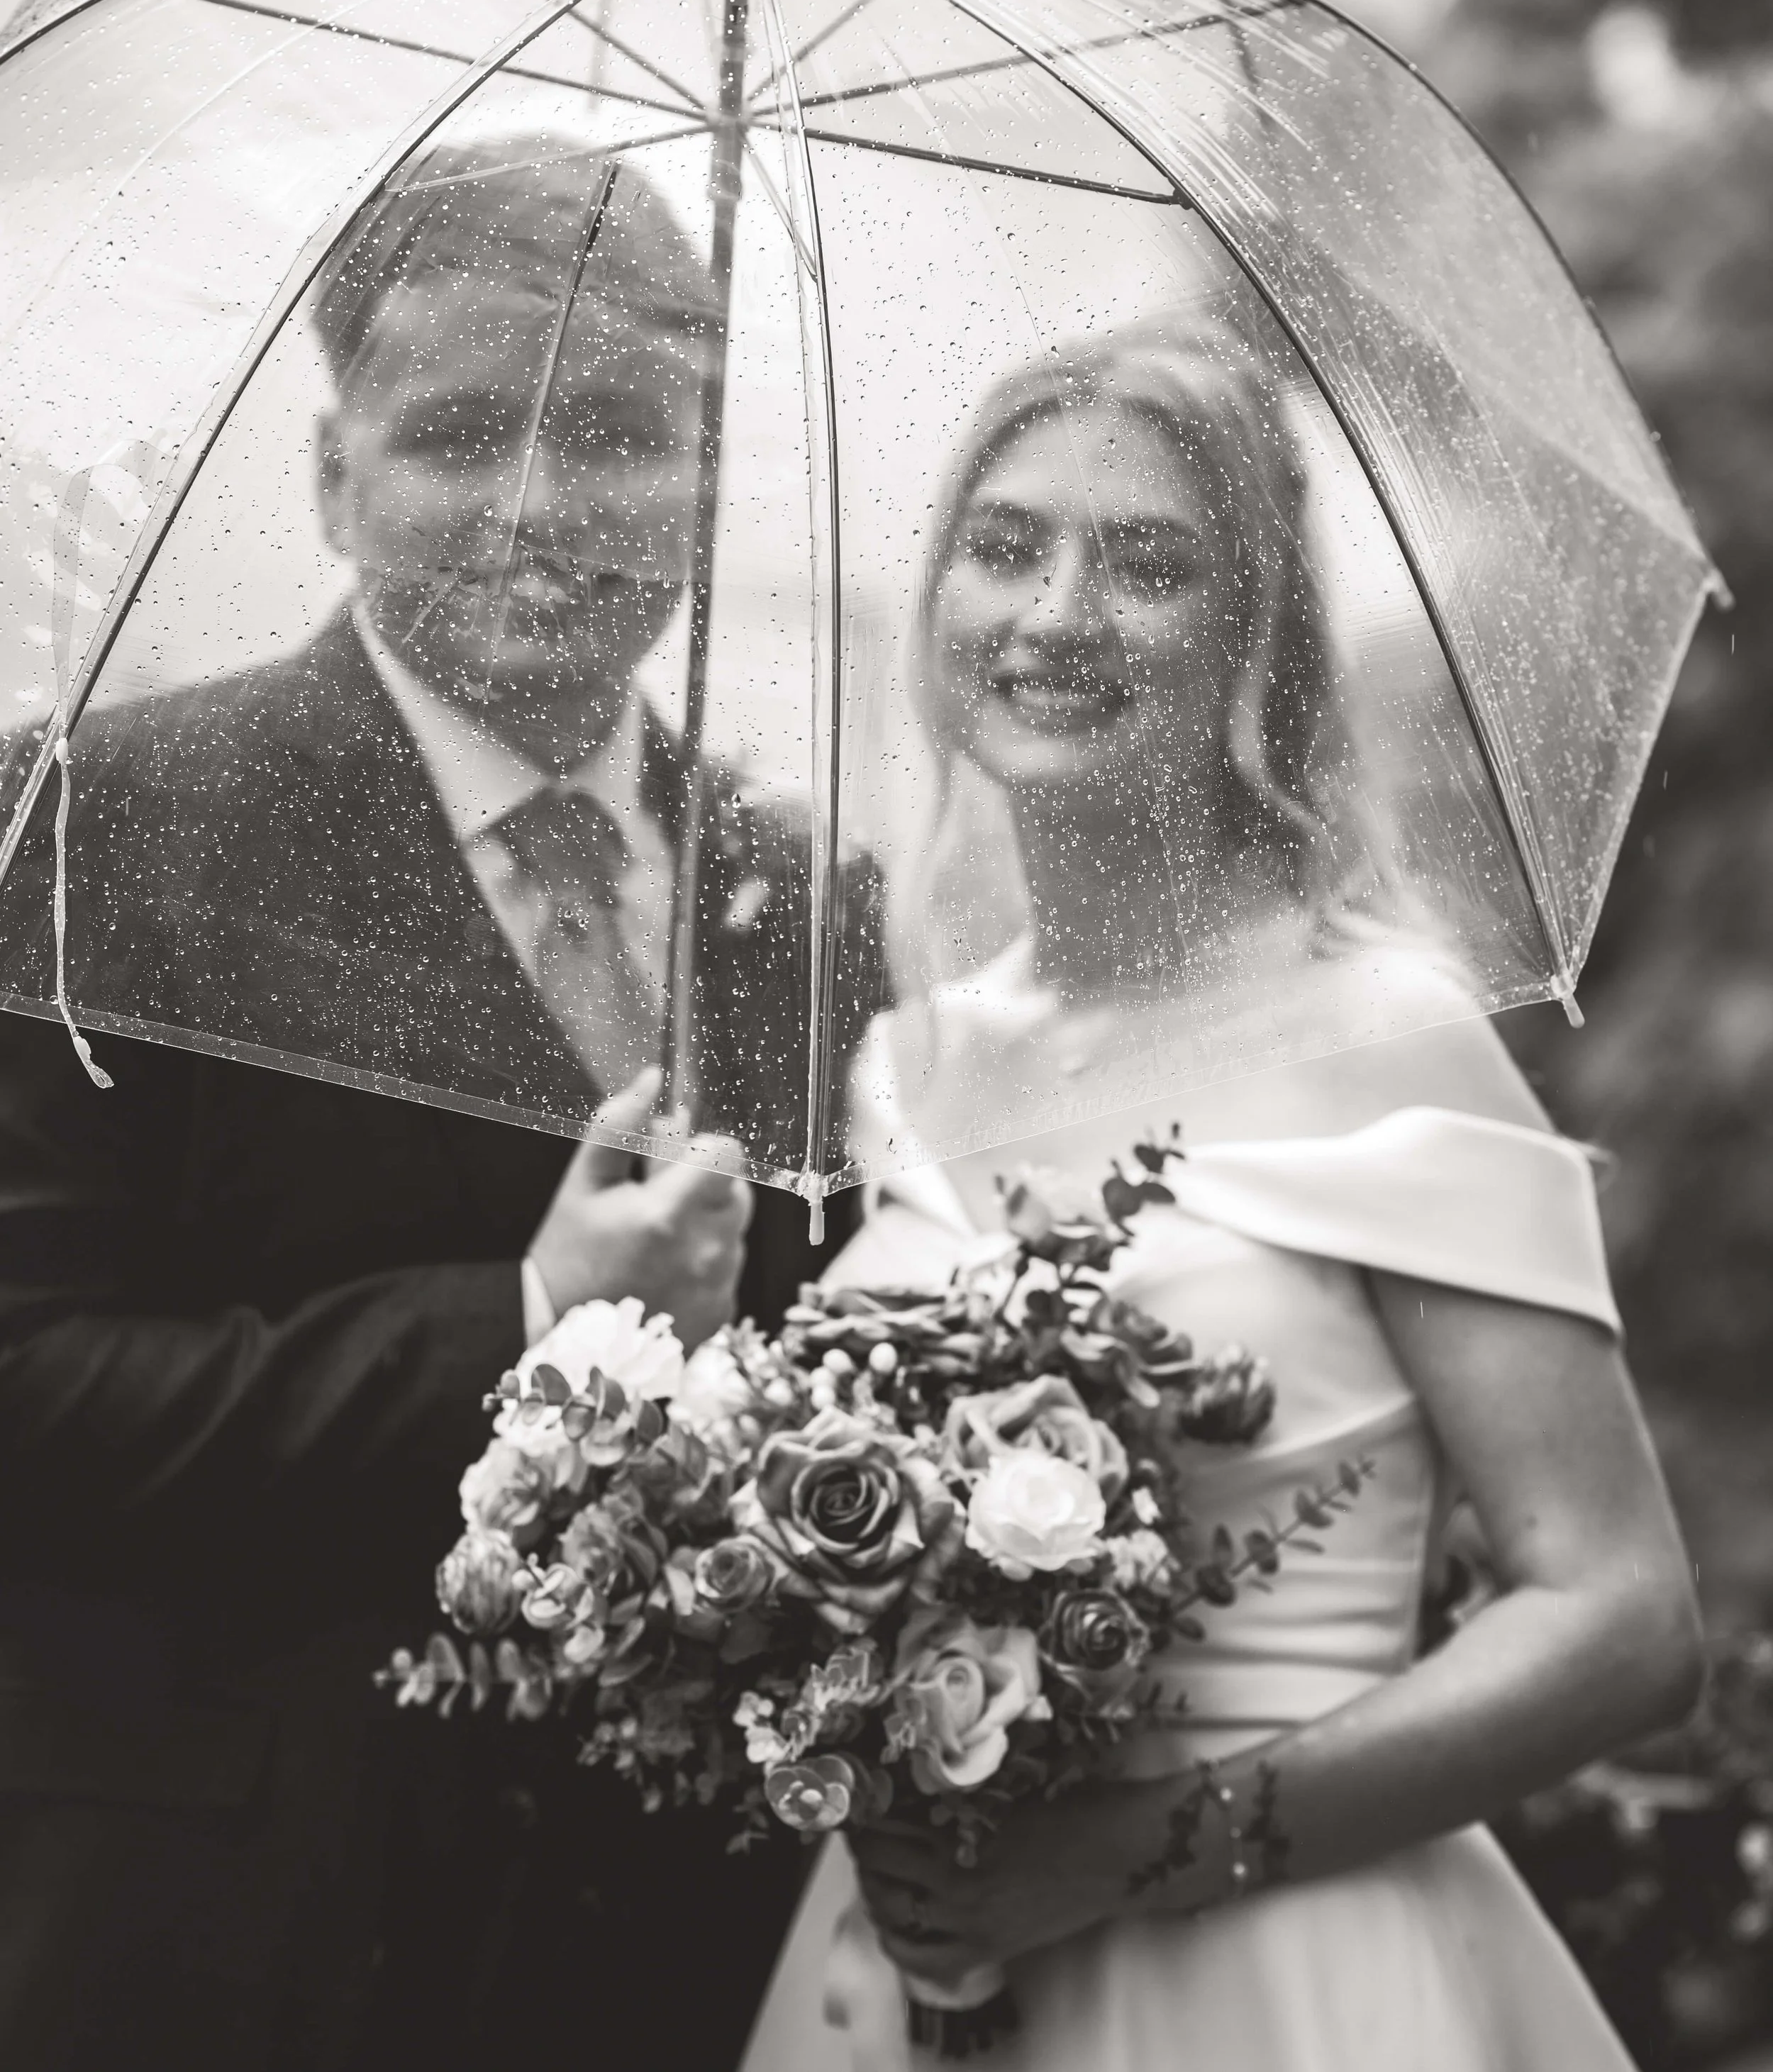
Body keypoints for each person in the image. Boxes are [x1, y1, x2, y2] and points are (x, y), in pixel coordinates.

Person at [0, 135, 878, 2072]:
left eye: (623, 434)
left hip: (683, 1960)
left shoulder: (809, 903)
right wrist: (530, 1323)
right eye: (464, 433)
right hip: (220, 1954)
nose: (544, 508)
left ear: (705, 476)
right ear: (338, 475)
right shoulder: (94, 829)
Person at [740, 316, 1703, 2072]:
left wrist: (1137, 1854)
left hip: (1283, 1977)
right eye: (1005, 543)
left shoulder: (1379, 1030)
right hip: (910, 1967)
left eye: (1148, 565)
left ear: (1255, 640)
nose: (1052, 617)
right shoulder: (910, 1063)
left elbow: (1620, 1618)